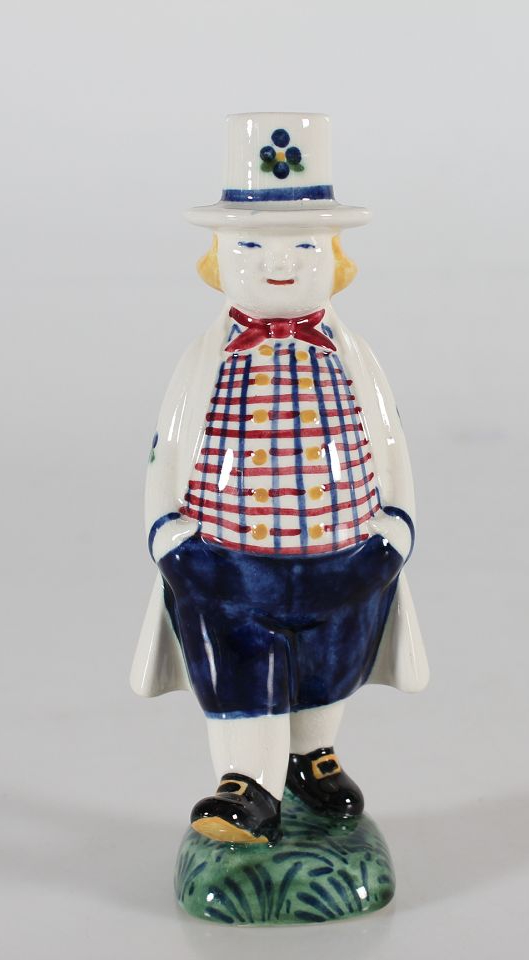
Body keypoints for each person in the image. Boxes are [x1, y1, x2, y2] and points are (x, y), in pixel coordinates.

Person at [132, 113, 427, 844]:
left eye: (304, 246)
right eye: (251, 247)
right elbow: (167, 447)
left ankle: (310, 755)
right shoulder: (205, 360)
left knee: (333, 655)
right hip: (229, 557)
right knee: (242, 663)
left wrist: (394, 528)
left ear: (336, 258)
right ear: (216, 258)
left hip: (344, 550)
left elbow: (390, 439)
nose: (279, 264)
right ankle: (247, 784)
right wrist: (169, 536)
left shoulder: (353, 356)